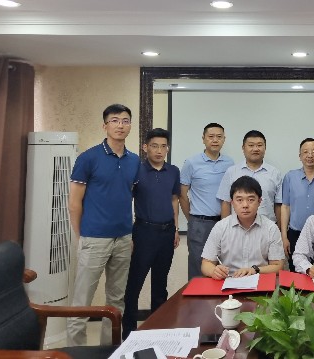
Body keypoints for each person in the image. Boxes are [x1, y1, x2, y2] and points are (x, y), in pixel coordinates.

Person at [67, 104, 140, 346]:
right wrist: (81, 236)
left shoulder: (134, 161)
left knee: (116, 301)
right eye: (115, 120)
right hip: (94, 238)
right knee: (82, 302)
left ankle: (109, 350)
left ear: (130, 125)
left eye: (125, 120)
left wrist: (129, 235)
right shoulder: (88, 158)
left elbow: (127, 197)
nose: (120, 125)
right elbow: (74, 203)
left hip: (123, 239)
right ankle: (74, 351)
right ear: (105, 125)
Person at [122, 128, 182, 339]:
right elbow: (126, 201)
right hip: (143, 232)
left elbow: (174, 199)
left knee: (160, 285)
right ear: (145, 147)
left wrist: (176, 229)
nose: (159, 151)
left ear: (168, 148)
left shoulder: (173, 171)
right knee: (134, 285)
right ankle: (129, 333)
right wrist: (129, 234)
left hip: (167, 233)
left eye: (163, 146)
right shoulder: (136, 170)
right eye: (154, 146)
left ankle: (158, 331)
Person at [202, 176, 285, 278]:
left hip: (259, 280)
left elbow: (278, 266)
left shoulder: (271, 228)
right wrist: (214, 271)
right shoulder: (220, 227)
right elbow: (206, 263)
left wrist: (255, 270)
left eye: (250, 200)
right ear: (232, 202)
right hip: (229, 280)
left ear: (259, 201)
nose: (245, 205)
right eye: (239, 200)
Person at [180, 123, 234, 280]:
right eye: (211, 136)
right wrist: (192, 218)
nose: (215, 140)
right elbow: (182, 195)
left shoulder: (229, 163)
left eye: (219, 137)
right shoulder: (191, 163)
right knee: (198, 267)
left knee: (222, 268)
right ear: (203, 139)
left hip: (224, 222)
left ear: (224, 139)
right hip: (200, 223)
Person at [281, 138, 314, 271]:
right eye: (306, 152)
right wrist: (284, 236)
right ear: (300, 156)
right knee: (297, 271)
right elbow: (285, 207)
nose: (310, 155)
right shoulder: (290, 177)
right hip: (295, 233)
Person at [217, 130, 282, 226]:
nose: (255, 149)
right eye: (251, 145)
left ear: (265, 148)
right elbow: (226, 203)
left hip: (267, 228)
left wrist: (279, 230)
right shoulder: (232, 172)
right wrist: (226, 229)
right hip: (237, 229)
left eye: (259, 145)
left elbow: (278, 205)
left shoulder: (275, 173)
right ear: (243, 148)